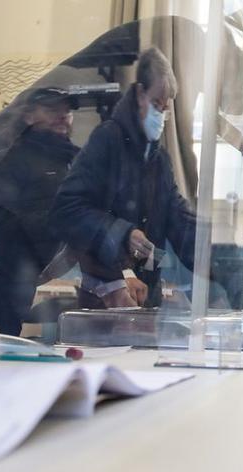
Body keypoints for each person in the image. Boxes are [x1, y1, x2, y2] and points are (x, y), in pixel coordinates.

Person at [50, 47, 196, 309]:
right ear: (140, 93)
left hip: (145, 298)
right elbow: (67, 209)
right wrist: (123, 234)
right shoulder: (107, 140)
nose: (160, 116)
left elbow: (177, 218)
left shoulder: (159, 159)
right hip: (104, 299)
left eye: (165, 109)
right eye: (155, 104)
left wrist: (220, 260)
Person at [0, 87, 80, 336]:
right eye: (52, 109)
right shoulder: (3, 162)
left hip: (75, 279)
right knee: (18, 358)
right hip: (19, 281)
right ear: (29, 116)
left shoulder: (79, 162)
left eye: (67, 111)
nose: (63, 116)